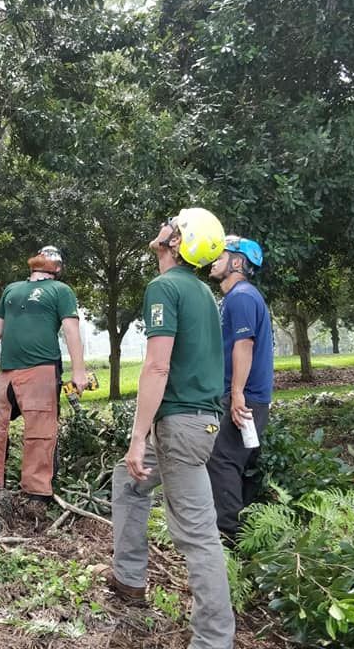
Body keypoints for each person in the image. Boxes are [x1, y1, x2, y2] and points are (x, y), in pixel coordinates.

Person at [108, 208, 235, 649]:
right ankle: (128, 578)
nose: (163, 226)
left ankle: (214, 639)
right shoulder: (202, 292)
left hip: (180, 425)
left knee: (197, 535)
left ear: (177, 241)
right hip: (195, 423)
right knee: (128, 480)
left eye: (171, 223)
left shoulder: (164, 287)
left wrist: (137, 437)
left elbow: (157, 366)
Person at [0, 245, 87, 501]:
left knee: (40, 431)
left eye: (52, 256)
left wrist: (79, 371)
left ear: (58, 267)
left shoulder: (61, 290)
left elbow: (71, 330)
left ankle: (36, 494)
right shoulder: (12, 289)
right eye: (44, 253)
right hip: (7, 371)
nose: (46, 257)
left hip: (42, 368)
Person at [207, 235, 273, 541]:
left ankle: (230, 537)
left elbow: (244, 345)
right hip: (249, 396)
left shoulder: (241, 297)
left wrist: (236, 395)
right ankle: (248, 533)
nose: (213, 260)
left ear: (237, 262)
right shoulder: (239, 296)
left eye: (221, 255)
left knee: (222, 460)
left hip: (246, 398)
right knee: (237, 462)